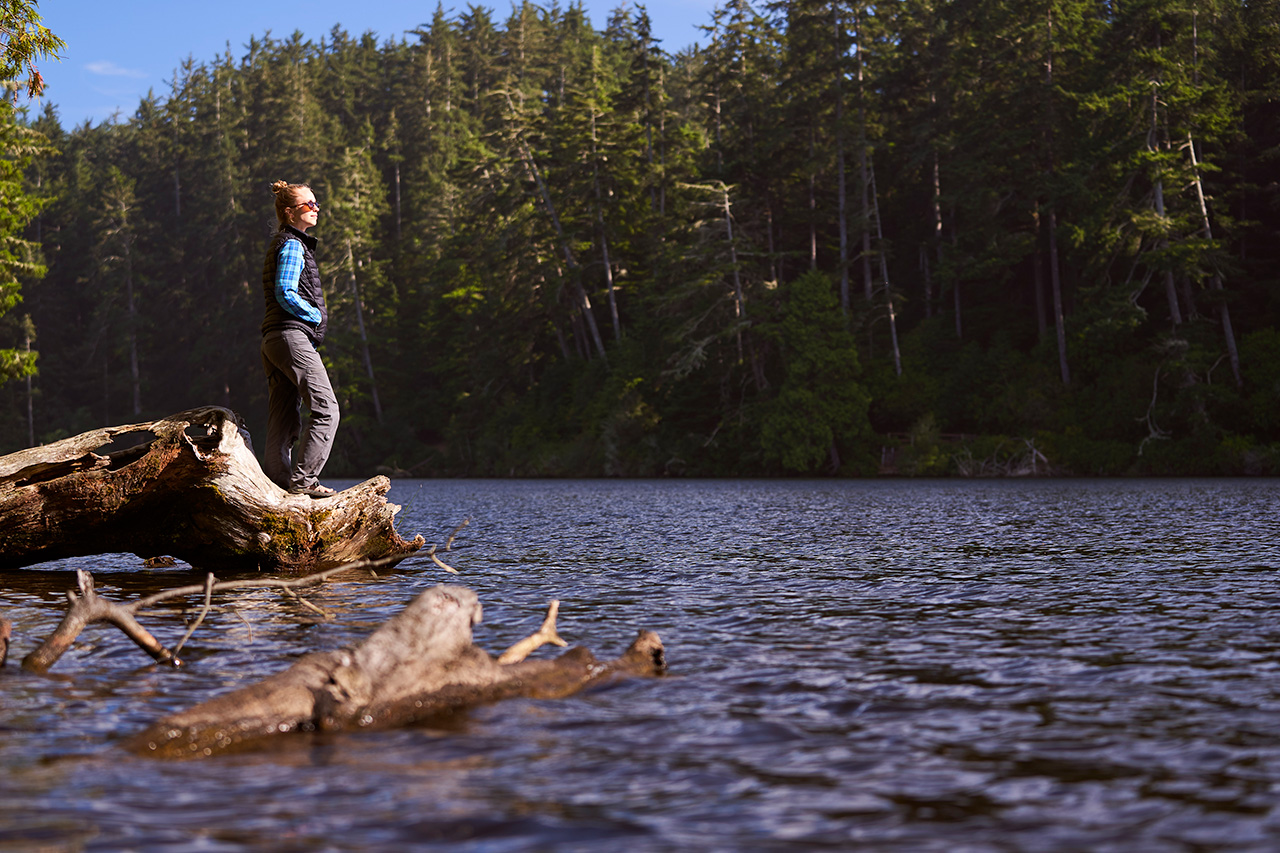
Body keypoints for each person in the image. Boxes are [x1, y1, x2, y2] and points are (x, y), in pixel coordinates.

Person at [260, 180, 339, 498]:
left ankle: (277, 485)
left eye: (317, 203)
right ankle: (304, 482)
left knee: (283, 414)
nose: (316, 208)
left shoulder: (283, 243)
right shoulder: (292, 244)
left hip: (273, 340)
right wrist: (315, 316)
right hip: (291, 337)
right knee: (326, 409)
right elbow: (285, 291)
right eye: (309, 204)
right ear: (290, 212)